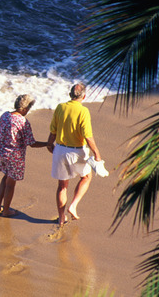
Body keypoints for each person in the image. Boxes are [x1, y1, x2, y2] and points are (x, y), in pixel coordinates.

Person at [46, 83, 104, 225]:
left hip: (60, 149)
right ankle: (73, 205)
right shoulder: (83, 111)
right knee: (86, 177)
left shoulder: (60, 107)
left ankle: (61, 218)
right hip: (78, 151)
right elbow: (87, 135)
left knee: (62, 186)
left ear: (70, 94)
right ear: (84, 96)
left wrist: (49, 144)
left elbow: (53, 129)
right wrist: (96, 152)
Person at [0, 94, 48, 217]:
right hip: (14, 157)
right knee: (11, 184)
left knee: (5, 178)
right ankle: (6, 210)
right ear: (25, 109)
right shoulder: (23, 122)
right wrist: (47, 144)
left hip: (1, 153)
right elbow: (32, 143)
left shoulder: (5, 115)